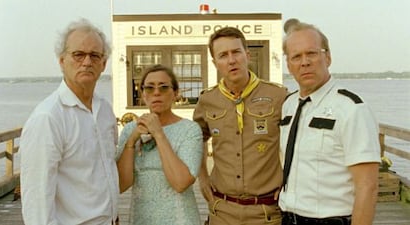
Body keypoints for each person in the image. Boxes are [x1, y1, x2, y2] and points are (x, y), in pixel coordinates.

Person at [279, 18, 380, 225]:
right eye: (296, 56)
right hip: (288, 218)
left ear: (328, 58)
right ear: (289, 65)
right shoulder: (289, 105)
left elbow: (367, 186)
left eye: (312, 53)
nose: (304, 62)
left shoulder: (351, 109)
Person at [20, 19, 119, 225]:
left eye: (95, 55)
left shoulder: (105, 111)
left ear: (103, 64)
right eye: (78, 54)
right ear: (62, 60)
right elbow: (36, 201)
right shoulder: (48, 118)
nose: (87, 62)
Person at [193, 27, 287, 225]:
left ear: (247, 54)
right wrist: (202, 177)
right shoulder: (207, 100)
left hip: (266, 211)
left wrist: (289, 180)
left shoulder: (278, 96)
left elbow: (297, 142)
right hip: (222, 211)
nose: (231, 60)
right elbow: (197, 138)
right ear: (215, 63)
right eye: (223, 55)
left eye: (236, 52)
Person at [116, 64, 203, 225]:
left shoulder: (189, 130)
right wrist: (130, 142)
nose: (156, 93)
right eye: (149, 88)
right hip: (141, 219)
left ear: (176, 93)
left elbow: (181, 183)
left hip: (180, 219)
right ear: (142, 94)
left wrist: (159, 134)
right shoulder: (130, 130)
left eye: (163, 88)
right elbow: (121, 185)